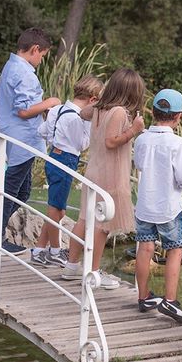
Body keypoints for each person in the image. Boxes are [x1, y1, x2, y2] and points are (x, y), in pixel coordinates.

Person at [0, 27, 60, 256]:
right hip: (23, 138)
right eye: (42, 55)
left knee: (21, 193)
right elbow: (24, 110)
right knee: (12, 190)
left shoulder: (10, 66)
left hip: (19, 139)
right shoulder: (24, 72)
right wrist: (49, 102)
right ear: (35, 49)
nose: (41, 60)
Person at [61, 68, 145, 290]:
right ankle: (93, 271)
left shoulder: (99, 108)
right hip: (110, 175)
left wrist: (99, 103)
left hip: (94, 171)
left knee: (84, 219)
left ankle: (71, 266)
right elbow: (111, 141)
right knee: (103, 225)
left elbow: (82, 113)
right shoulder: (118, 112)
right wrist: (134, 130)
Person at [133, 89, 182, 325]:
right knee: (174, 249)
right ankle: (170, 300)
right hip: (169, 206)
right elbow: (181, 178)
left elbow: (139, 164)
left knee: (145, 248)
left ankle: (143, 295)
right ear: (179, 116)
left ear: (152, 112)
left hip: (145, 204)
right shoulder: (178, 143)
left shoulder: (141, 139)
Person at [30, 74, 103, 267]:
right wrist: (89, 124)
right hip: (66, 160)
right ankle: (54, 251)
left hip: (54, 156)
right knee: (56, 209)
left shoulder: (57, 110)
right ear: (93, 100)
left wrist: (56, 138)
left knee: (58, 209)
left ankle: (39, 249)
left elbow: (42, 132)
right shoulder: (78, 119)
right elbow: (82, 144)